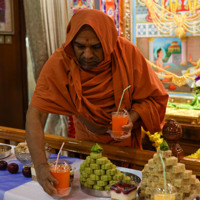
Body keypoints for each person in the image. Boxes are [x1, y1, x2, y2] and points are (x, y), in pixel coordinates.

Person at [26, 9, 168, 197]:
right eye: (80, 47)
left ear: (109, 42)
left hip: (126, 149)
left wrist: (131, 118)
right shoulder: (62, 60)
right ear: (71, 43)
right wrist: (41, 165)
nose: (87, 55)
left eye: (96, 47)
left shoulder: (127, 54)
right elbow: (35, 113)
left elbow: (153, 98)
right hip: (87, 145)